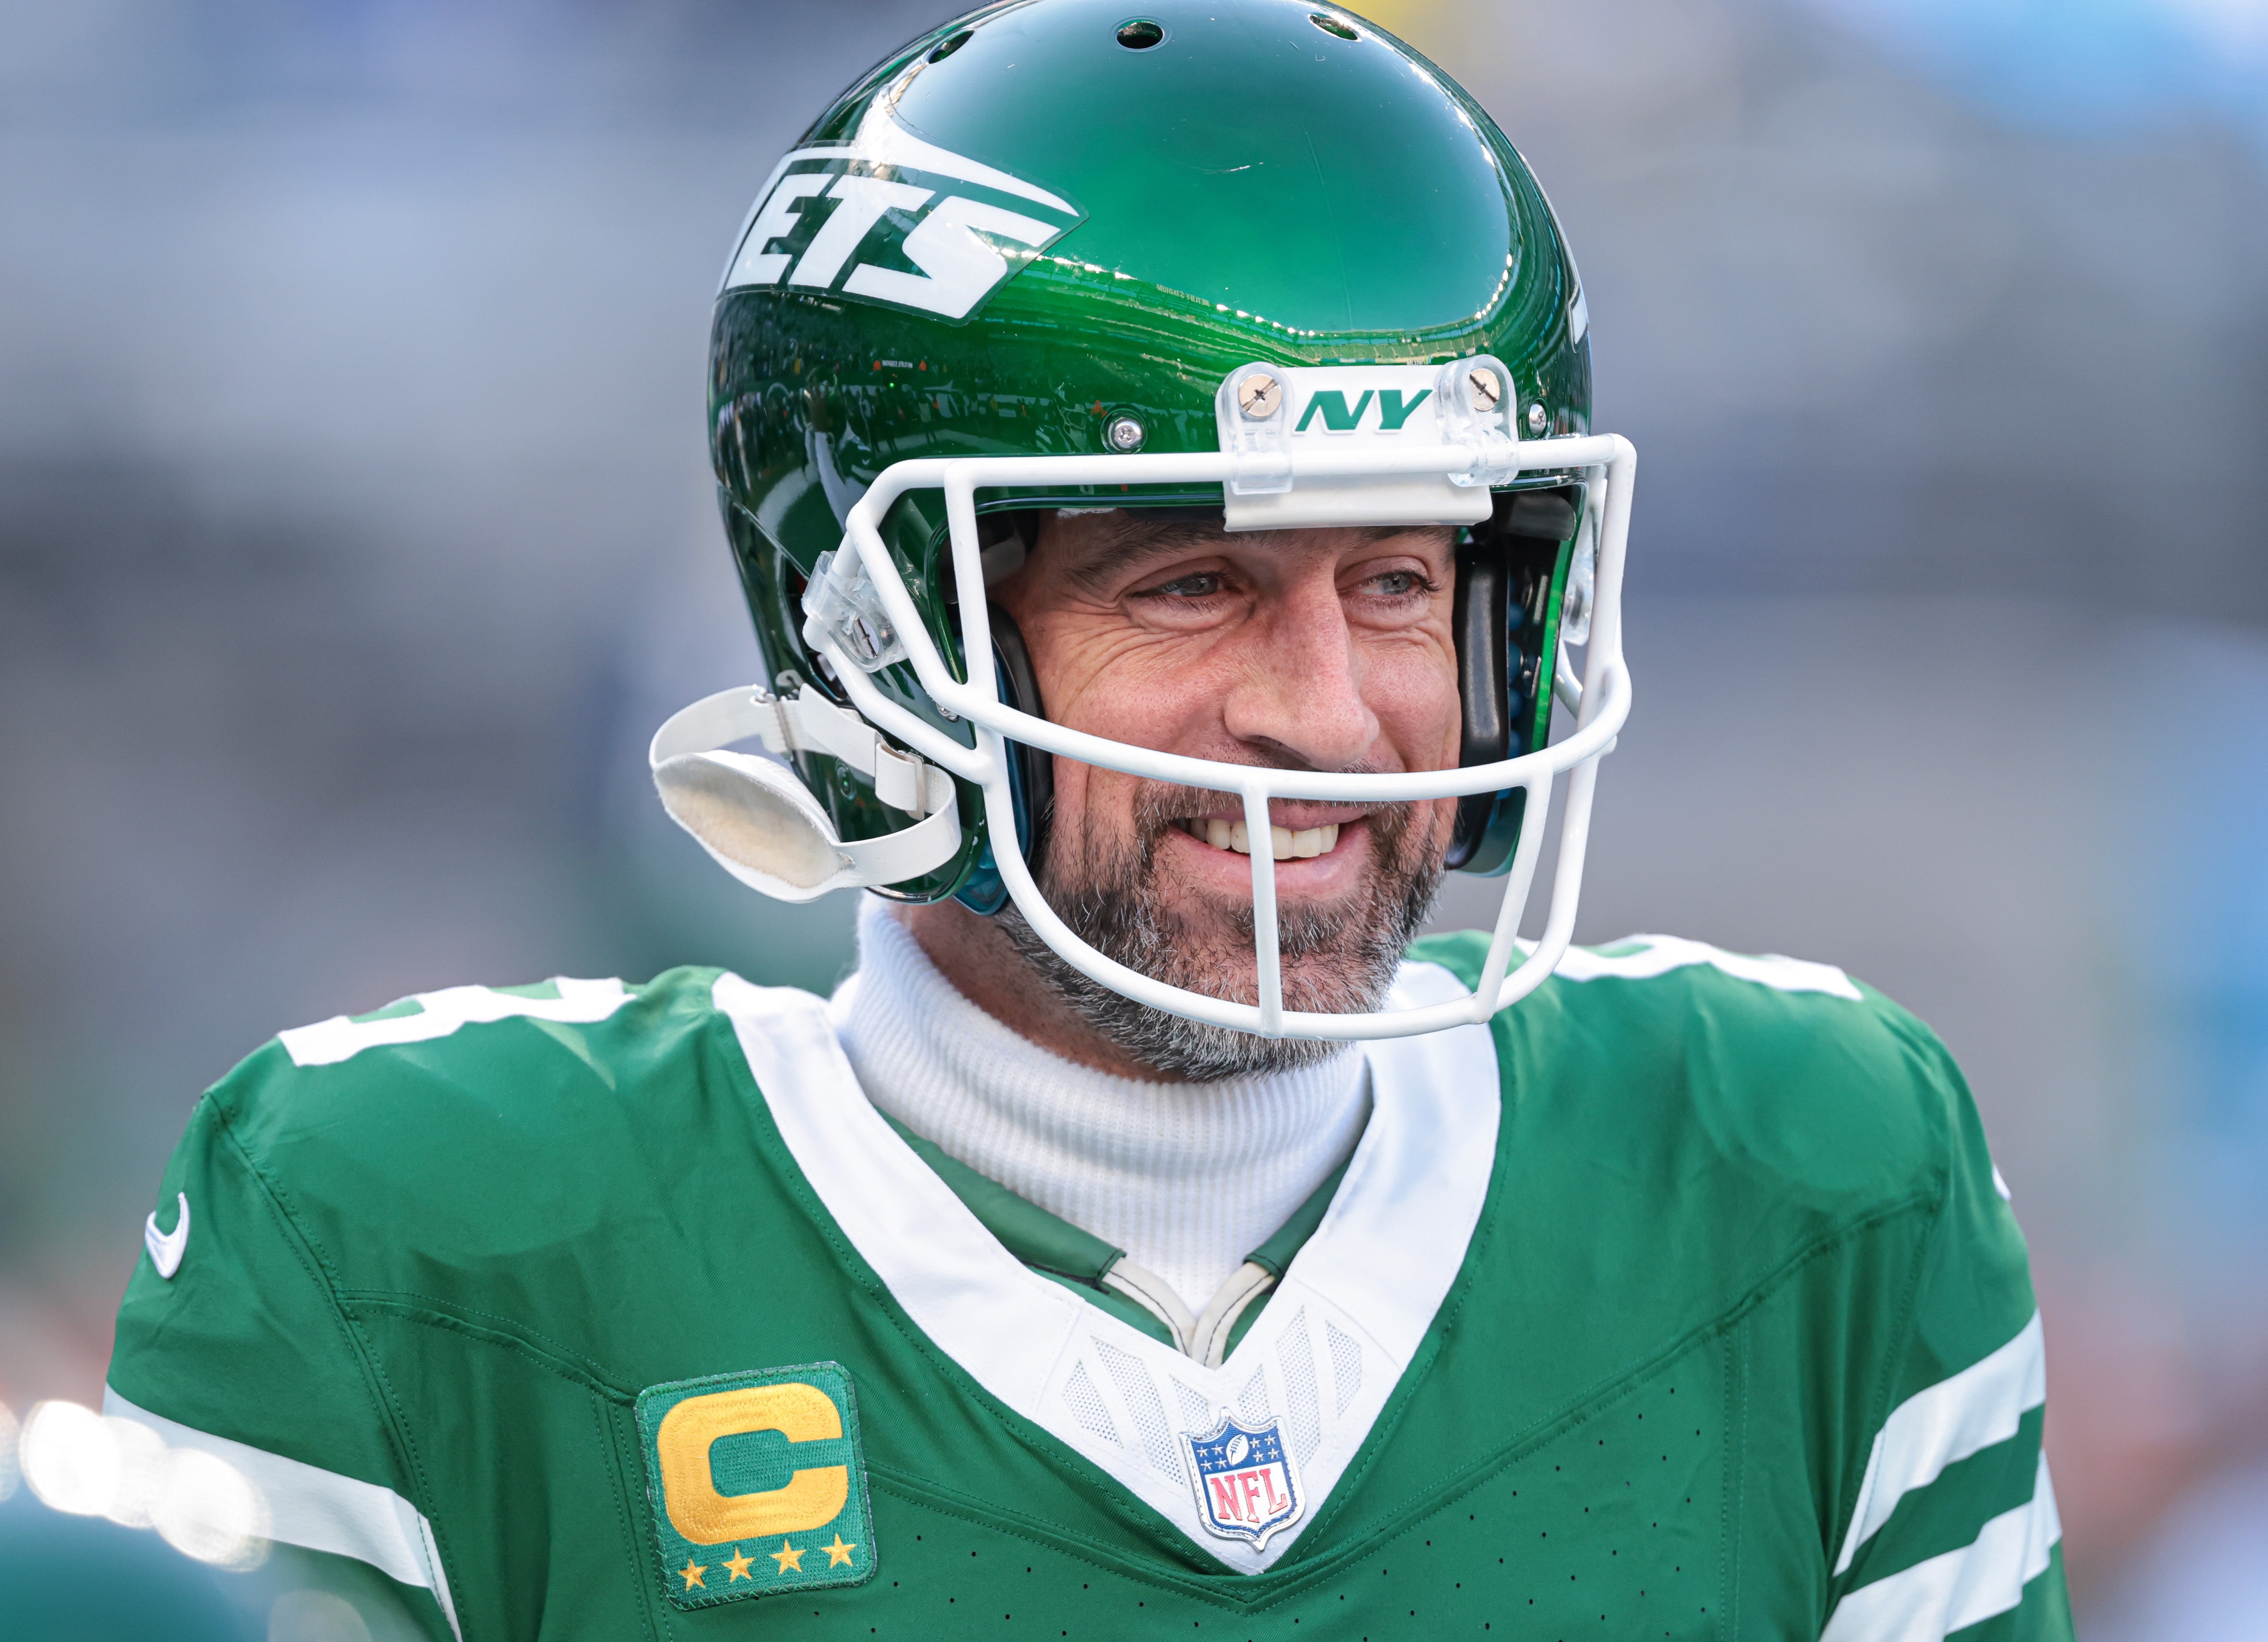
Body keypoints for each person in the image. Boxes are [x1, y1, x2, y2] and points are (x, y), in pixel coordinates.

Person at [101, 3, 2072, 1637]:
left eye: (1398, 580)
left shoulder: (1799, 1171)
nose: (1325, 716)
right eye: (1190, 585)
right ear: (879, 640)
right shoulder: (424, 1229)